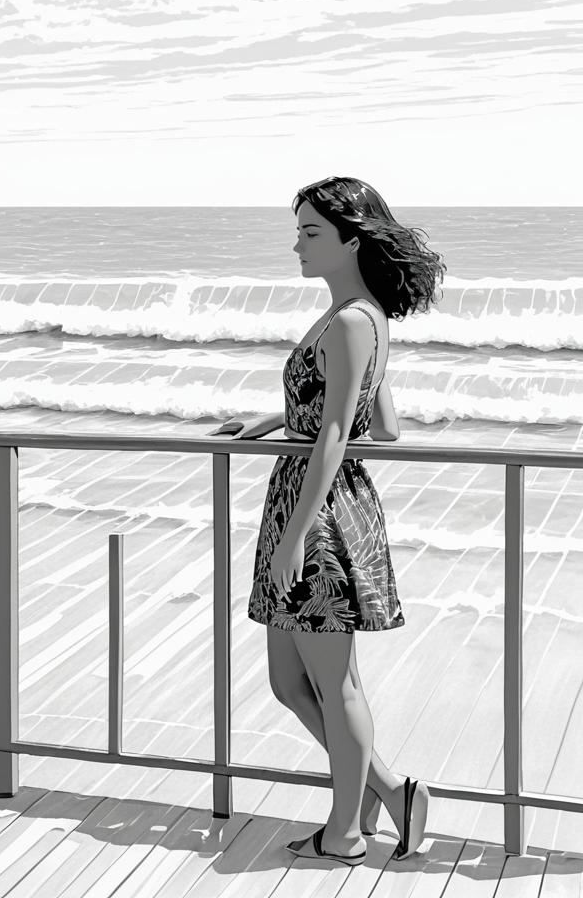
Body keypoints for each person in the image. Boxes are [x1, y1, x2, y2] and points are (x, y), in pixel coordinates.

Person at [216, 176, 445, 865]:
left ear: (353, 238)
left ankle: (345, 833)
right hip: (309, 499)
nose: (298, 245)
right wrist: (265, 424)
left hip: (316, 517)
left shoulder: (350, 320)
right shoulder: (357, 315)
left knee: (333, 685)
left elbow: (340, 433)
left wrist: (294, 539)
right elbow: (386, 424)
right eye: (299, 231)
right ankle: (389, 790)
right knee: (291, 683)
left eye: (312, 232)